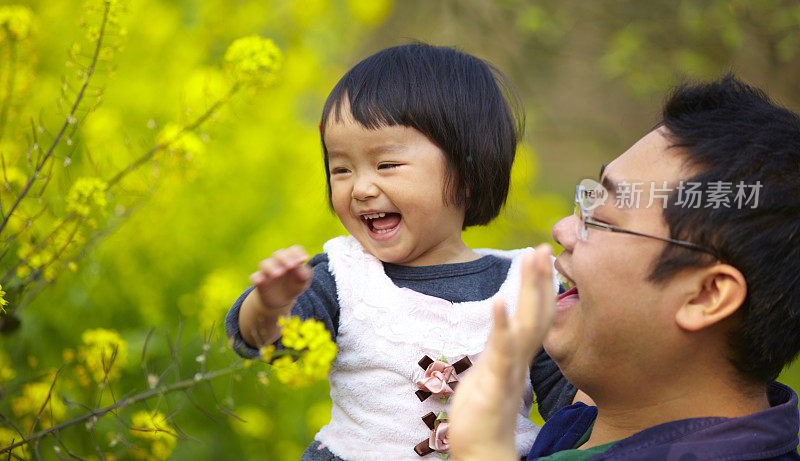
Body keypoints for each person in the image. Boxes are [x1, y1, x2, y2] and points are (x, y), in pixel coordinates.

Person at [225, 43, 576, 460]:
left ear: (467, 174)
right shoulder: (344, 276)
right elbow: (264, 341)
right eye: (341, 169)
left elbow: (571, 410)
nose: (361, 188)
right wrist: (269, 305)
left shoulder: (528, 283)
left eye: (386, 165)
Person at [449, 74, 800, 460]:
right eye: (586, 200)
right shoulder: (595, 423)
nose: (562, 229)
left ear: (705, 295)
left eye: (602, 220)